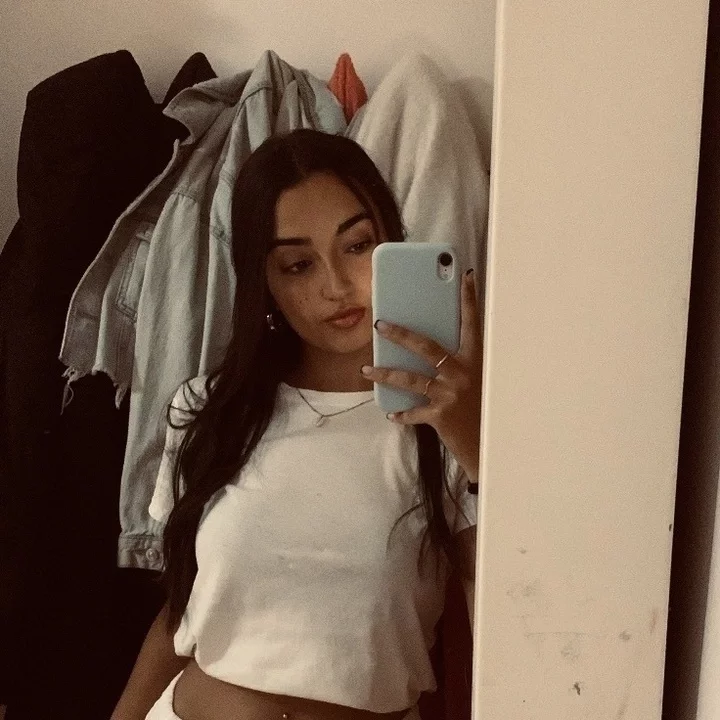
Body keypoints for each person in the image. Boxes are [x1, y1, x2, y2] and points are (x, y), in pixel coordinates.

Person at [110, 129, 482, 720]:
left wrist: (475, 442)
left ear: (391, 242)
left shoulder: (446, 424)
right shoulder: (209, 411)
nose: (335, 286)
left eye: (357, 246)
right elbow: (181, 611)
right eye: (298, 264)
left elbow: (509, 609)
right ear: (266, 285)